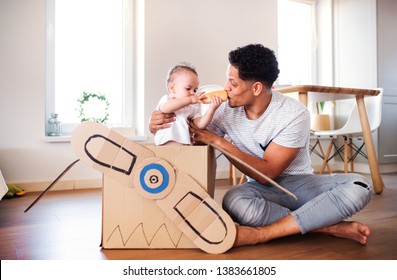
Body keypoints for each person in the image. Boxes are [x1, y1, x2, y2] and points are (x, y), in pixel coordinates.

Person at [149, 44, 372, 247]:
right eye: (227, 79)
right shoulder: (225, 110)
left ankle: (261, 234)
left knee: (360, 187)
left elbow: (267, 174)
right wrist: (157, 123)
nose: (225, 87)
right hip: (259, 192)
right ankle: (327, 226)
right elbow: (188, 136)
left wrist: (218, 141)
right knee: (234, 200)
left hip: (300, 185)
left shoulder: (294, 114)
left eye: (233, 83)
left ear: (256, 88)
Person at [154, 62, 223, 146]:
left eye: (195, 90)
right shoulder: (167, 99)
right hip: (166, 142)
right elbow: (165, 109)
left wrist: (212, 109)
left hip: (185, 145)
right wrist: (190, 100)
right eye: (188, 88)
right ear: (172, 88)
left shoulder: (192, 108)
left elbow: (200, 124)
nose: (192, 93)